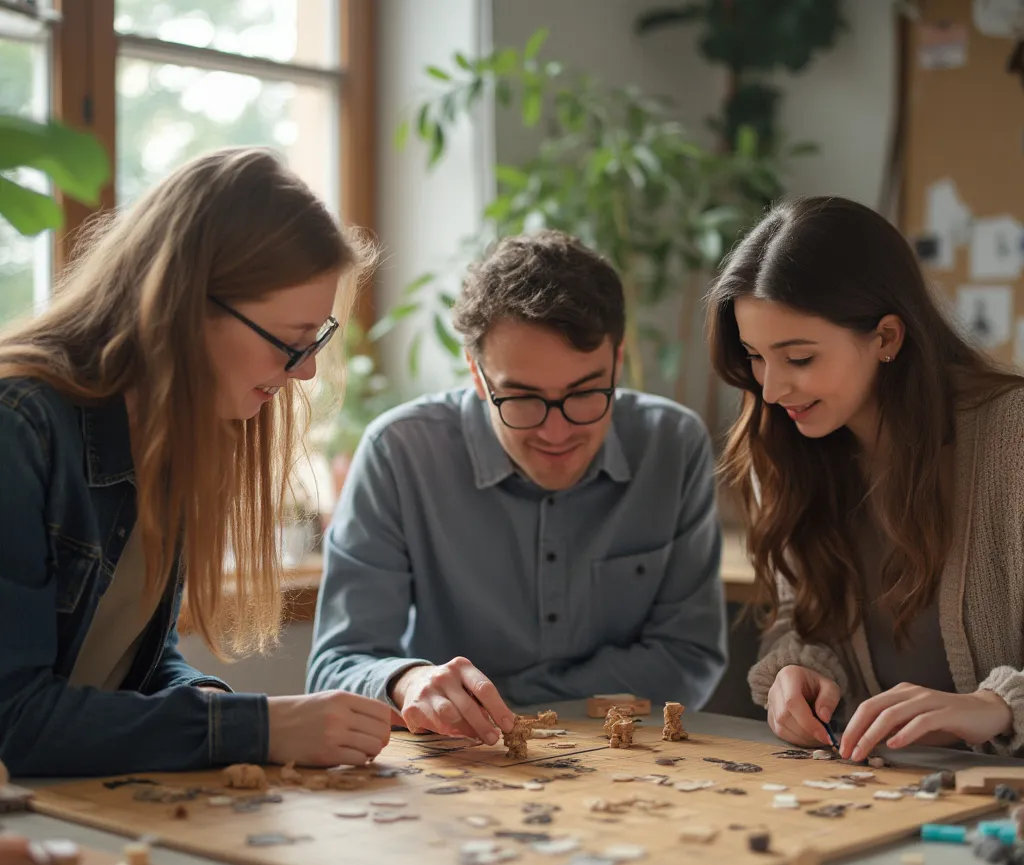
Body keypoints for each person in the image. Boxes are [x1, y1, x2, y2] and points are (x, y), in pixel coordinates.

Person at [0, 147, 391, 777]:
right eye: (291, 342)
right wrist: (256, 728)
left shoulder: (178, 436)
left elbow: (134, 663)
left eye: (315, 340)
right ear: (185, 306)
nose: (306, 371)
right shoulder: (19, 428)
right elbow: (12, 720)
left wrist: (207, 701)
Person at [308, 230, 727, 743]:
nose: (556, 432)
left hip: (627, 756)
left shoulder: (672, 445)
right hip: (463, 759)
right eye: (523, 398)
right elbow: (337, 666)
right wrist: (408, 681)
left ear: (617, 362)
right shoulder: (400, 453)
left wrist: (501, 700)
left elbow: (688, 657)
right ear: (477, 375)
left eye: (584, 393)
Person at [708, 195, 1024, 759]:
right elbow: (798, 618)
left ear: (886, 338)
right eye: (755, 355)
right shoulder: (783, 444)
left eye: (799, 358)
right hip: (881, 792)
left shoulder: (1011, 436)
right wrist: (798, 669)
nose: (771, 389)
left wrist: (998, 705)